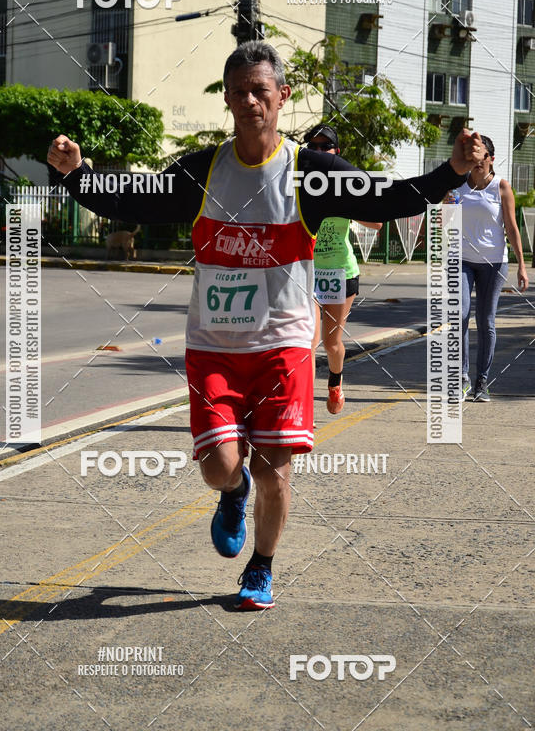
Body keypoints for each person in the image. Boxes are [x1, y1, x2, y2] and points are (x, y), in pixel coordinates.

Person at [48, 40, 482, 610]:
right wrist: (77, 174)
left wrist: (451, 170)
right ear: (227, 100)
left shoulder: (312, 173)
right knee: (221, 467)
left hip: (282, 350)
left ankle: (261, 566)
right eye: (240, 91)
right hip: (214, 350)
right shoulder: (202, 171)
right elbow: (135, 200)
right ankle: (231, 493)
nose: (251, 101)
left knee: (275, 467)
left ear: (283, 96)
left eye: (261, 90)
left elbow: (389, 198)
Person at [305, 124, 382, 415]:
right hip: (307, 272)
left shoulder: (343, 185)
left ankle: (335, 385)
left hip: (339, 273)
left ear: (337, 153)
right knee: (307, 343)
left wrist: (348, 203)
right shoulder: (299, 184)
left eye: (326, 147)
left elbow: (377, 222)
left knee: (331, 342)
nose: (320, 151)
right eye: (314, 146)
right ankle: (304, 408)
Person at [456, 134, 529, 401]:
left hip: (494, 263)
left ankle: (481, 383)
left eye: (481, 156)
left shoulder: (501, 187)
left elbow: (511, 228)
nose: (476, 161)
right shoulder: (456, 187)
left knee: (485, 322)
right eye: (472, 157)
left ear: (491, 159)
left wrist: (522, 265)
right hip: (462, 261)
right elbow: (441, 218)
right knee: (460, 316)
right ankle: (462, 379)